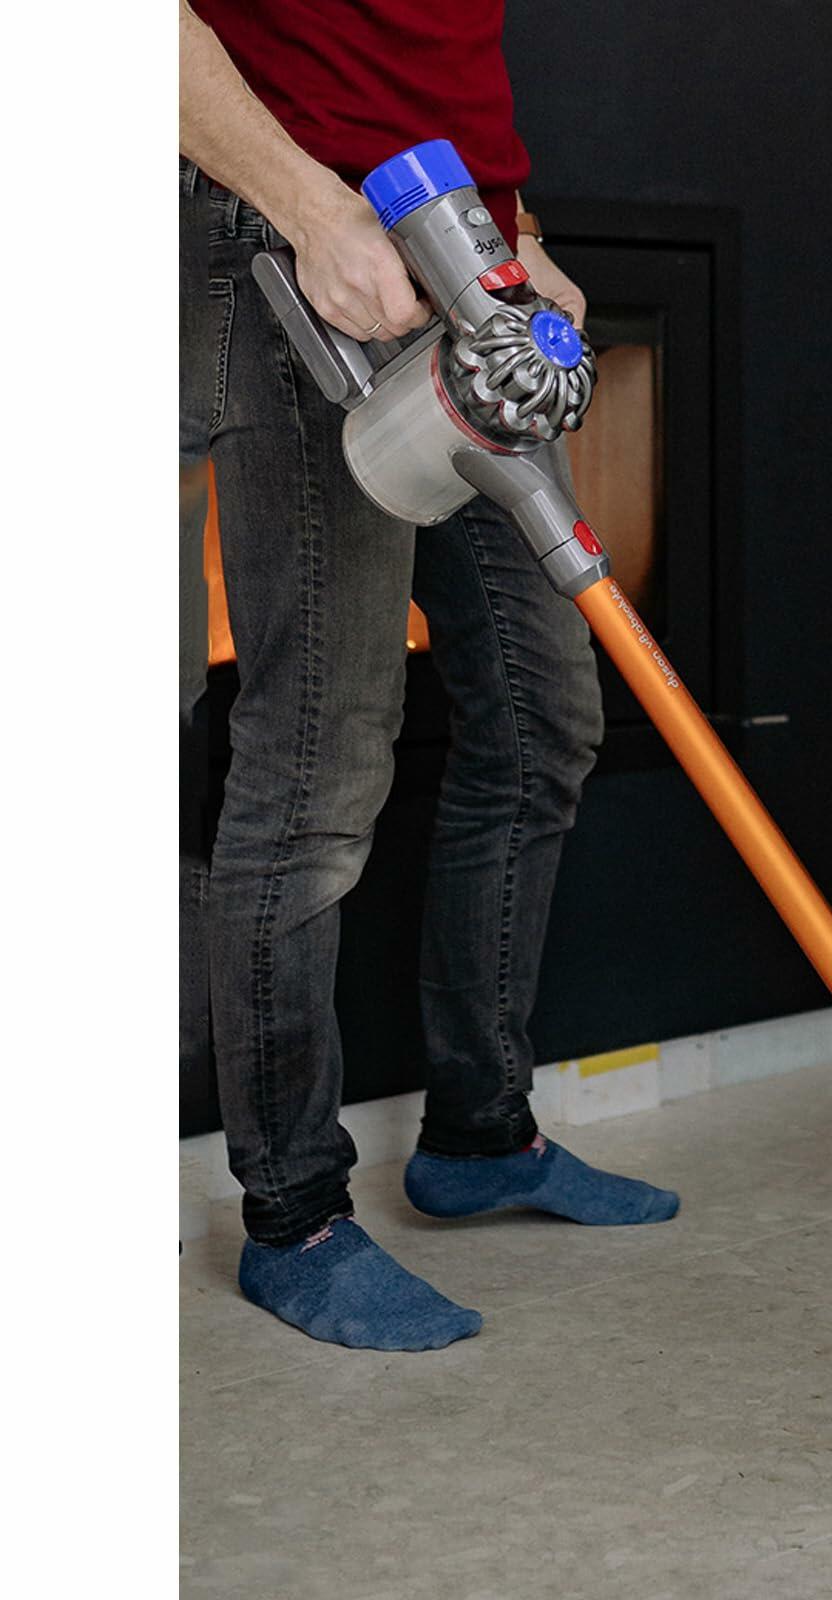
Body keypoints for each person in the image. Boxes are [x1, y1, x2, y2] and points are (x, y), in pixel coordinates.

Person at [179, 0, 678, 1354]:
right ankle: (294, 1218)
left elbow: (433, 49)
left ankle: (479, 1135)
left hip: (463, 253)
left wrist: (519, 235)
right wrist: (309, 206)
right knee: (320, 760)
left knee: (542, 717)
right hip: (297, 238)